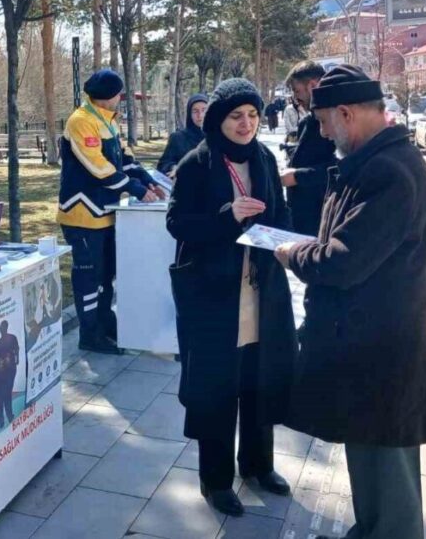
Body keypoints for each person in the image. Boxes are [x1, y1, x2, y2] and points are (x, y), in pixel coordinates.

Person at [275, 65, 426, 539]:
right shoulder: (371, 161)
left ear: (347, 114)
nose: (324, 132)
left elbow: (342, 261)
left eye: (325, 122)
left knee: (389, 473)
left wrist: (292, 254)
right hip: (364, 348)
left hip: (384, 352)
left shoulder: (389, 172)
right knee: (367, 453)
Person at [166, 78, 297, 517]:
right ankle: (216, 480)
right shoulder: (195, 164)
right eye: (236, 116)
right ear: (219, 120)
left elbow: (280, 212)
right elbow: (178, 225)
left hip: (261, 289)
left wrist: (286, 239)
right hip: (214, 296)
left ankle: (259, 465)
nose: (246, 124)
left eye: (253, 116)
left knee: (259, 381)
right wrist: (228, 216)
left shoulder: (263, 157)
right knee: (218, 387)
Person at [58, 69, 165, 354]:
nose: (120, 98)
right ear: (108, 96)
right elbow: (100, 168)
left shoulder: (108, 121)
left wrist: (148, 180)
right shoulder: (81, 121)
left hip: (106, 213)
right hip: (82, 214)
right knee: (89, 278)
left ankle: (105, 325)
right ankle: (89, 335)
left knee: (107, 276)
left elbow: (125, 159)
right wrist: (138, 190)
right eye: (118, 93)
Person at [279, 61, 338, 235]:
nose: (296, 99)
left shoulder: (337, 122)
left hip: (323, 222)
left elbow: (341, 167)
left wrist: (298, 176)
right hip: (303, 222)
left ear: (313, 86)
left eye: (297, 91)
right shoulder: (307, 122)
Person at [157, 93, 208, 176]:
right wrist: (174, 167)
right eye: (195, 111)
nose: (200, 115)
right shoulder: (177, 138)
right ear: (189, 114)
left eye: (204, 110)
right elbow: (163, 164)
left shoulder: (218, 137)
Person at [0, 321, 21, 427]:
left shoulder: (12, 338)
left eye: (3, 327)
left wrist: (16, 359)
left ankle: (10, 416)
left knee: (7, 395)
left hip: (9, 372)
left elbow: (17, 349)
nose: (2, 329)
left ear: (6, 328)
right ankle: (1, 420)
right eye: (1, 328)